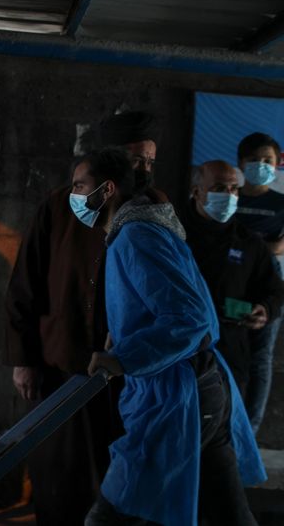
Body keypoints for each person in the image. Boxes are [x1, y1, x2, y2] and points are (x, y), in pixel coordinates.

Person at [79, 148, 265, 525]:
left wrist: (123, 359)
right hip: (201, 388)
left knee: (112, 513)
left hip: (176, 394)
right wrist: (124, 334)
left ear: (107, 189)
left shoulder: (135, 236)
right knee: (227, 511)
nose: (75, 195)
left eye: (80, 186)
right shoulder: (146, 228)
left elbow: (189, 318)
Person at [4, 111, 161, 526]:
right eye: (134, 159)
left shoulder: (155, 212)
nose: (143, 169)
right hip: (61, 364)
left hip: (126, 374)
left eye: (149, 160)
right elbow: (25, 285)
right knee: (58, 476)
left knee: (121, 478)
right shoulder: (60, 206)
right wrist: (24, 358)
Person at [180, 160, 284, 397]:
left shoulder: (249, 243)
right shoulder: (172, 235)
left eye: (233, 189)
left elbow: (274, 290)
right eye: (218, 188)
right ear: (197, 191)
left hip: (229, 356)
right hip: (178, 352)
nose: (228, 195)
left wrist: (264, 309)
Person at [235, 132, 284, 432]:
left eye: (268, 160)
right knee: (226, 348)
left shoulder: (281, 203)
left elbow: (280, 248)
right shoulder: (227, 196)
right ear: (241, 162)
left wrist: (245, 248)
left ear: (278, 163)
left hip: (268, 286)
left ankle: (250, 430)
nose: (261, 165)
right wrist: (266, 246)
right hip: (230, 285)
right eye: (254, 160)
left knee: (261, 357)